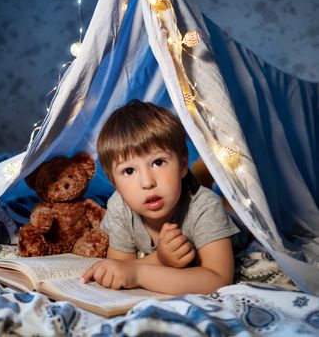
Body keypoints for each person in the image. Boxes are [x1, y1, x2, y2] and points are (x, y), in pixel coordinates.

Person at [81, 99, 240, 295]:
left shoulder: (205, 207)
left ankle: (203, 176)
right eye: (129, 171)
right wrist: (160, 260)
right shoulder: (120, 206)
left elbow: (219, 279)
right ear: (114, 183)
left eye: (158, 162)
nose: (147, 182)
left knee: (236, 214)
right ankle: (200, 176)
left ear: (182, 165)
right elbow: (121, 265)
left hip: (233, 223)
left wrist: (139, 273)